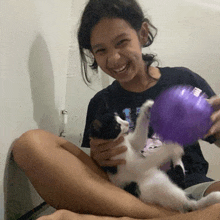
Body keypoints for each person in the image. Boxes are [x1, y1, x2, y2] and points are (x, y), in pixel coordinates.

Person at [12, 0, 220, 219]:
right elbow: (97, 178)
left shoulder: (183, 80)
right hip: (126, 196)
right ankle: (157, 216)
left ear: (142, 33)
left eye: (122, 42)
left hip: (188, 191)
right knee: (29, 145)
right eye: (101, 50)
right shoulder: (100, 103)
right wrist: (98, 158)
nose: (113, 58)